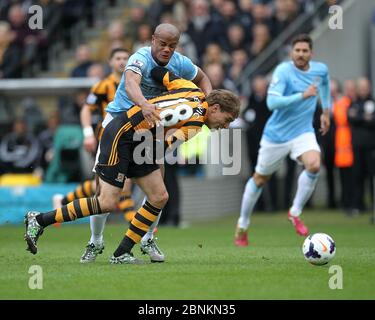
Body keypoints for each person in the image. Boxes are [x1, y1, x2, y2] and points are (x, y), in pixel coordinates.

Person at [23, 67, 240, 265]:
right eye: (227, 119)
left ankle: (121, 253)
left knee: (159, 196)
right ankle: (40, 220)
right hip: (122, 136)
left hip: (137, 139)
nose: (225, 126)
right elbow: (164, 145)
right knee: (107, 202)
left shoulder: (189, 87)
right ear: (215, 108)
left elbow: (157, 71)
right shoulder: (195, 124)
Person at [68, 23, 212, 263]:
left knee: (158, 189)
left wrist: (208, 99)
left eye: (172, 46)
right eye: (163, 44)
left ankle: (147, 238)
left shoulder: (180, 62)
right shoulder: (139, 59)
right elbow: (132, 85)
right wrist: (89, 132)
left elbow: (202, 77)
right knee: (104, 193)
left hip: (149, 126)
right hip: (118, 124)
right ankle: (95, 240)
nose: (167, 49)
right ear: (153, 40)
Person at [234, 34, 331, 247]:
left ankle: (295, 212)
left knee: (314, 164)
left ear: (311, 53)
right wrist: (302, 96)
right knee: (259, 179)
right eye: (297, 50)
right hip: (276, 135)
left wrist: (326, 111)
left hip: (303, 132)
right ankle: (243, 223)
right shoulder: (283, 71)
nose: (301, 54)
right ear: (291, 53)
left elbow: (324, 86)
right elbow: (272, 103)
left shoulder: (320, 69)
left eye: (305, 51)